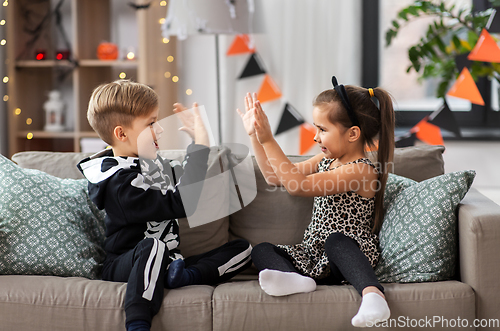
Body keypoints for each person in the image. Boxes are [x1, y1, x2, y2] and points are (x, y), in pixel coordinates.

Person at [77, 80, 252, 331]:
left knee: (243, 249)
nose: (159, 130)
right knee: (153, 245)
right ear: (122, 134)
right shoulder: (118, 183)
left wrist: (196, 148)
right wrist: (200, 145)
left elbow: (191, 183)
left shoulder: (156, 165)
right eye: (151, 123)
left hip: (170, 261)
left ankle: (184, 277)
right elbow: (183, 202)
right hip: (127, 263)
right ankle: (138, 323)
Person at [237, 77, 395, 328]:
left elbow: (298, 186)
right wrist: (256, 135)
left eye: (322, 130)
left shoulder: (361, 170)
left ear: (353, 133)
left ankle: (373, 294)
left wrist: (270, 139)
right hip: (314, 254)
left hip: (347, 252)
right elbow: (272, 176)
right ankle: (295, 280)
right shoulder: (324, 161)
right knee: (261, 249)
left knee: (336, 241)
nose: (315, 138)